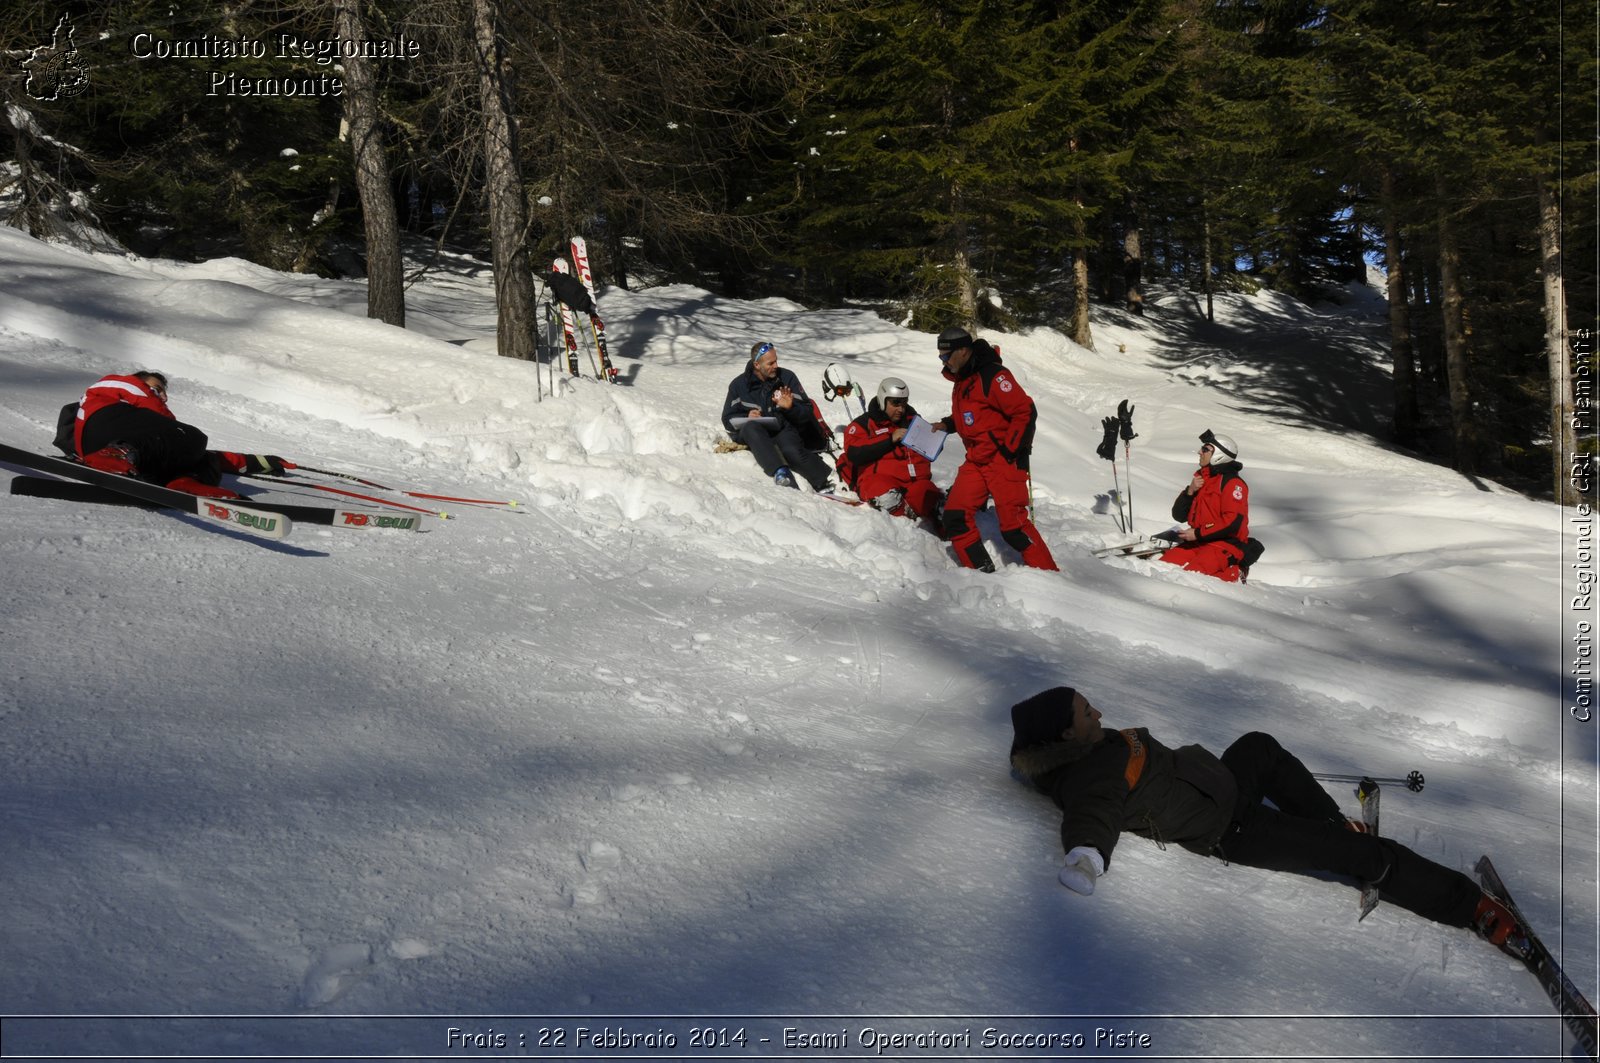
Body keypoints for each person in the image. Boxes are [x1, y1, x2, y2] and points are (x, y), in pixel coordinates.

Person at [1008, 685, 1526, 951]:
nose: (1097, 713)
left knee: (1259, 746)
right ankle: (1472, 907)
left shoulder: (1089, 747)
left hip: (1226, 788)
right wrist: (1085, 860)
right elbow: (1090, 820)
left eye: (1090, 706)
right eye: (1085, 714)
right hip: (1230, 829)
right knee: (1370, 857)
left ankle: (1329, 823)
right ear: (1064, 738)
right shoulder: (1089, 779)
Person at [930, 327, 1056, 572]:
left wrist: (1011, 451)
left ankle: (1050, 577)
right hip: (976, 461)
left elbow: (1025, 412)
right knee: (955, 517)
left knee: (1014, 529)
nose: (943, 361)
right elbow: (975, 415)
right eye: (941, 356)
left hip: (1003, 461)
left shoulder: (994, 376)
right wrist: (947, 424)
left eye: (946, 356)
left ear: (964, 351)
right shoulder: (962, 379)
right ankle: (982, 574)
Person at [55, 370, 287, 500]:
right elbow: (140, 393)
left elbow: (184, 448)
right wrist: (171, 426)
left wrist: (259, 462)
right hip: (102, 431)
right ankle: (114, 456)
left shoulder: (149, 430)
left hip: (131, 448)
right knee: (191, 436)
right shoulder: (116, 386)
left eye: (164, 393)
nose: (163, 397)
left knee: (200, 455)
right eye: (158, 388)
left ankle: (187, 483)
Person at [720, 342, 834, 491]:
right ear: (756, 365)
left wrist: (790, 408)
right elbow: (727, 418)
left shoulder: (787, 378)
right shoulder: (738, 385)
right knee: (751, 427)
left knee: (790, 450)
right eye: (770, 363)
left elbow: (807, 412)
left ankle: (823, 481)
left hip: (781, 429)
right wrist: (747, 415)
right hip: (754, 433)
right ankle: (781, 472)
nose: (775, 366)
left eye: (776, 361)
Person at [841, 376, 945, 527]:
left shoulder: (913, 420)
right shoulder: (864, 424)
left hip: (914, 482)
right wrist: (889, 440)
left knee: (929, 493)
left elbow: (931, 449)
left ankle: (944, 524)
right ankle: (905, 519)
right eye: (895, 403)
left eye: (903, 403)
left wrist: (934, 439)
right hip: (882, 481)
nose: (900, 409)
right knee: (884, 494)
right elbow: (854, 452)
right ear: (883, 400)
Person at [1160, 428, 1249, 581]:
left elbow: (1232, 522)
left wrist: (1197, 533)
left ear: (1219, 456)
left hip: (1225, 545)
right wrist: (1190, 491)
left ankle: (1236, 571)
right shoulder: (1202, 479)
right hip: (1199, 542)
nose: (1199, 452)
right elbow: (1179, 515)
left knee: (1190, 577)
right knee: (1161, 566)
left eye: (1205, 449)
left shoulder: (1233, 484)